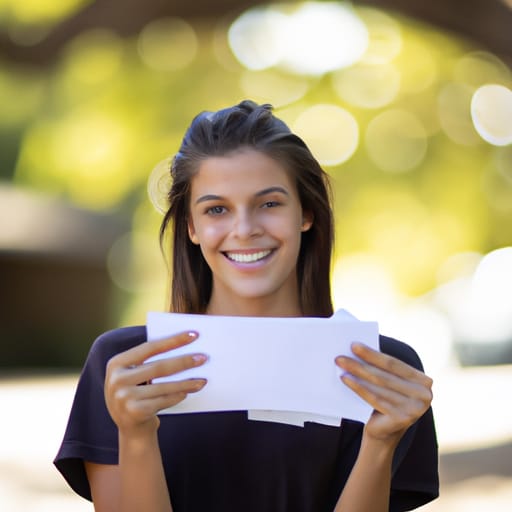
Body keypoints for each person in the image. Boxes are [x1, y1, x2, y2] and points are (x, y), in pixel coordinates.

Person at [54, 100, 439, 512]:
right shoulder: (125, 368)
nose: (244, 230)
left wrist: (380, 445)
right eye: (216, 209)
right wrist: (135, 436)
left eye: (269, 204)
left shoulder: (384, 374)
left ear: (306, 213)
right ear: (192, 227)